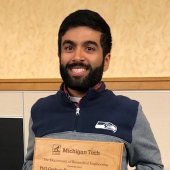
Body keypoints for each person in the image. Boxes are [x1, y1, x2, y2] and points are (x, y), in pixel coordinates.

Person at [23, 9, 164, 170]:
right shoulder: (40, 110)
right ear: (59, 56)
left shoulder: (130, 111)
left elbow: (153, 165)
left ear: (106, 60)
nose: (77, 56)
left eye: (89, 48)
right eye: (69, 48)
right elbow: (29, 163)